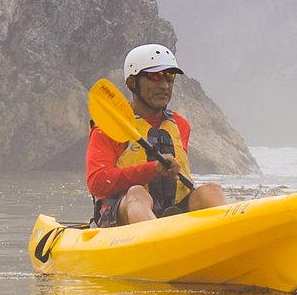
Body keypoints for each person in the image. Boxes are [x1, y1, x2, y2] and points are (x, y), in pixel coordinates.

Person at [86, 44, 223, 225]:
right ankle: (156, 243)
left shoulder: (180, 125)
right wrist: (152, 169)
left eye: (169, 77)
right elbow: (97, 182)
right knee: (137, 193)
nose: (165, 85)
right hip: (121, 215)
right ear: (132, 83)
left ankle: (235, 237)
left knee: (210, 191)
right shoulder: (108, 127)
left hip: (171, 212)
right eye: (155, 77)